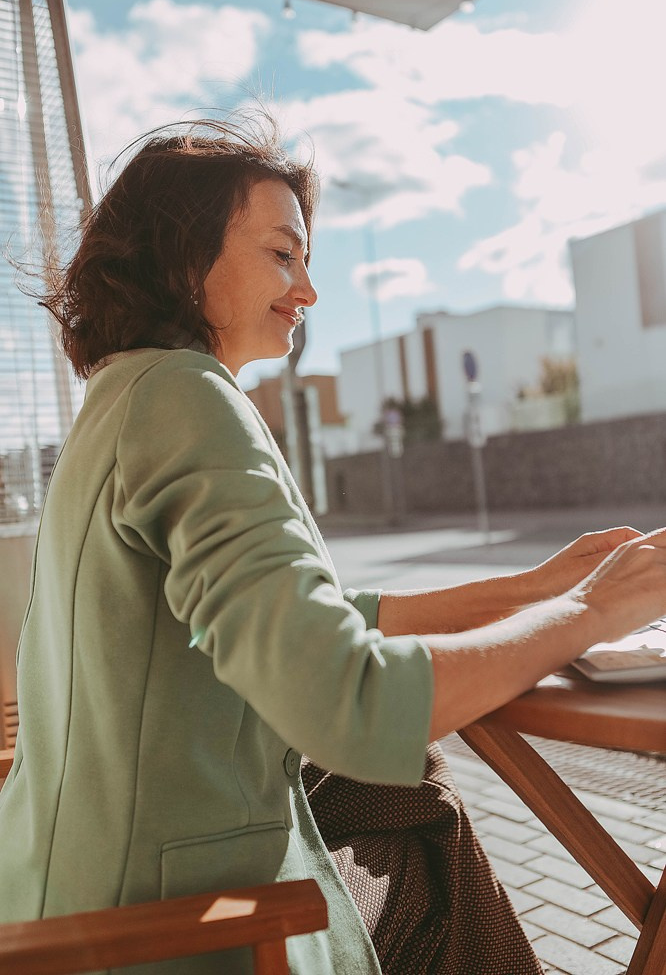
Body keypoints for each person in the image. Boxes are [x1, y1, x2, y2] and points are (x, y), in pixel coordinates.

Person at [1, 114, 665, 975]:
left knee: (405, 787)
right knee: (411, 807)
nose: (308, 291)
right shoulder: (185, 399)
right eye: (283, 254)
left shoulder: (123, 397)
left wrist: (530, 591)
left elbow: (311, 620)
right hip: (164, 933)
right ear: (180, 253)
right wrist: (591, 611)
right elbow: (344, 699)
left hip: (66, 888)